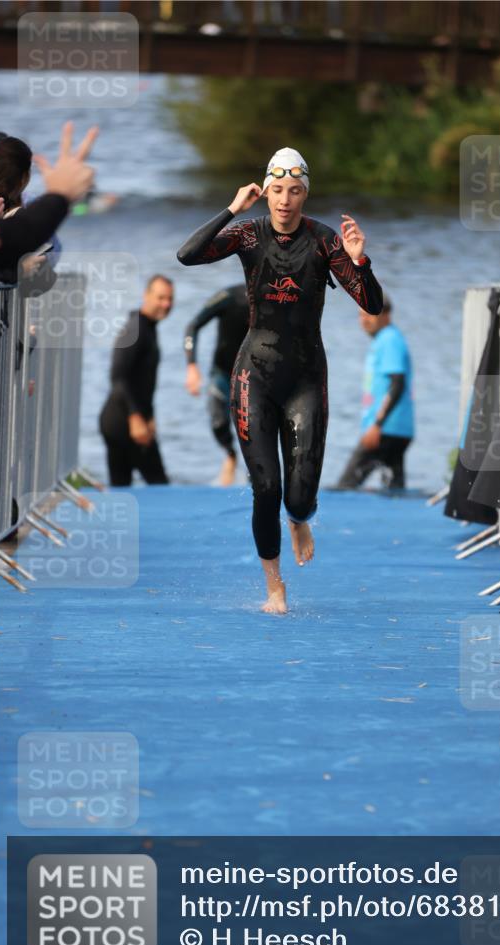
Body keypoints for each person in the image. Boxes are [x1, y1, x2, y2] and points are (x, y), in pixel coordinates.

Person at [177, 147, 383, 614]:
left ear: (305, 194)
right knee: (265, 487)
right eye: (277, 190)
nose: (285, 200)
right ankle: (275, 586)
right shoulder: (249, 234)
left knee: (300, 496)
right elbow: (187, 255)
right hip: (255, 372)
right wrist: (232, 207)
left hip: (307, 377)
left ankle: (299, 518)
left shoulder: (325, 240)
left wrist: (359, 261)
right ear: (265, 192)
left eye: (294, 191)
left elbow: (370, 305)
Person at [0, 122, 97, 268]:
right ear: (24, 178)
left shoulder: (16, 217)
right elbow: (48, 249)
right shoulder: (28, 208)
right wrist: (60, 194)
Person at [99, 276, 174, 487]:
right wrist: (135, 417)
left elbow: (143, 382)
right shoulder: (136, 329)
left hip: (130, 419)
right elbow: (118, 376)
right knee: (159, 485)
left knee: (123, 488)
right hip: (122, 421)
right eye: (160, 298)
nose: (166, 304)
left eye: (170, 299)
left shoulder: (148, 327)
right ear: (146, 296)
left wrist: (149, 417)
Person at [336, 294, 414, 490]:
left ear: (386, 315)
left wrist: (377, 424)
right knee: (394, 490)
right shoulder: (385, 339)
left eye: (369, 315)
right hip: (395, 429)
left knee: (346, 486)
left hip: (386, 430)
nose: (364, 320)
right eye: (361, 315)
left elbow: (398, 384)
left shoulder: (389, 340)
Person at [184, 284, 249, 485]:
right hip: (222, 373)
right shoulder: (230, 296)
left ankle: (254, 480)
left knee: (251, 434)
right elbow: (192, 326)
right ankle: (230, 454)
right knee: (218, 423)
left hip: (251, 379)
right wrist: (192, 366)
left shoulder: (272, 297)